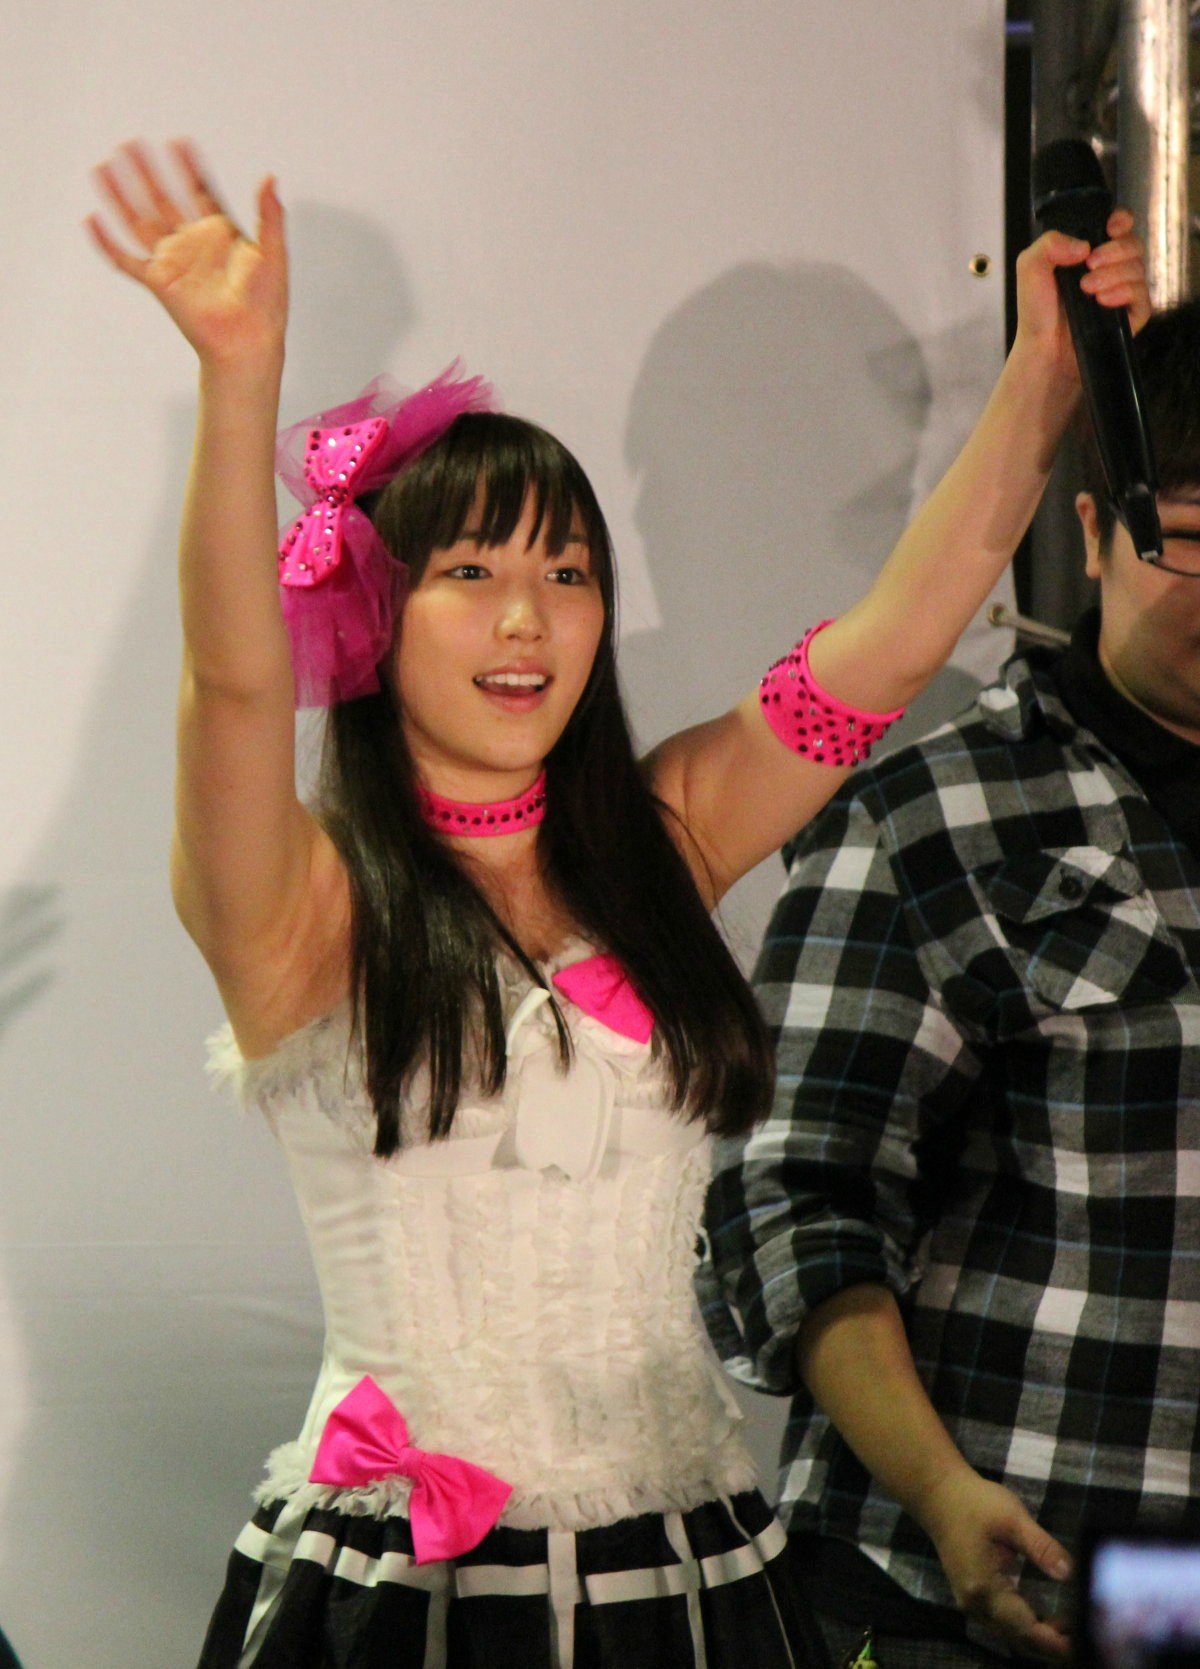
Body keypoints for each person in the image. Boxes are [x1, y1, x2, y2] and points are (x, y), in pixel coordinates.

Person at [86, 135, 1146, 1669]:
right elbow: (235, 688)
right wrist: (239, 377)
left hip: (700, 1575)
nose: (528, 617)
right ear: (371, 610)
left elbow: (900, 635)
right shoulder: (304, 906)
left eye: (569, 571)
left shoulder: (659, 839)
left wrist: (1044, 374)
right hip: (410, 1597)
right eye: (472, 572)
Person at [702, 298, 1200, 1669]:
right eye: (1187, 538)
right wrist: (935, 1487)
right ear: (1093, 530)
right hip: (984, 1570)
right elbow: (793, 1196)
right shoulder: (932, 816)